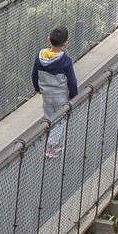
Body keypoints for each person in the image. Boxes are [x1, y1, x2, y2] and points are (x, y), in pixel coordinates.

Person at [34, 26, 79, 157]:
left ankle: (53, 143)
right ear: (66, 43)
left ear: (48, 39)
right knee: (60, 120)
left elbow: (34, 74)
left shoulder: (40, 57)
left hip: (46, 94)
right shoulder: (65, 61)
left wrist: (38, 88)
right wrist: (73, 95)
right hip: (61, 95)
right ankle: (51, 147)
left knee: (49, 118)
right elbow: (72, 81)